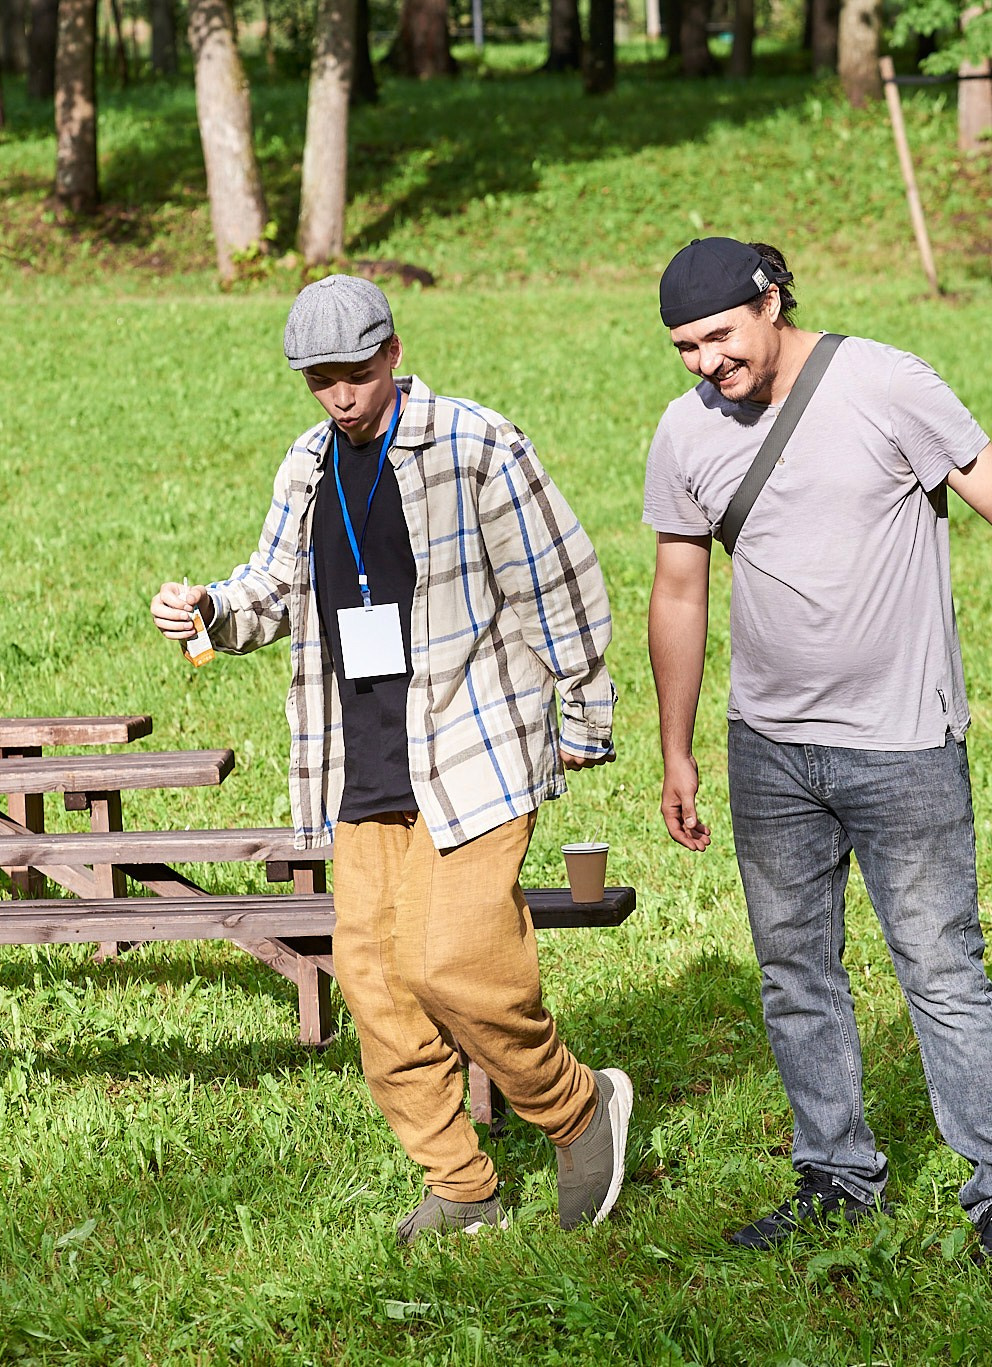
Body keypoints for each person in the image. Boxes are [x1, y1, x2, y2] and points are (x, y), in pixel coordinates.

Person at [642, 238, 992, 1266]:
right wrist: (677, 748)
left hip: (901, 740)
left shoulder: (883, 382)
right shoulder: (684, 432)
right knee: (794, 971)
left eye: (717, 336)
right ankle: (834, 1173)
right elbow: (678, 590)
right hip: (768, 748)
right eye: (683, 347)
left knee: (939, 966)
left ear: (769, 300)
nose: (704, 363)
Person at [150, 275, 634, 1246]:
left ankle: (579, 1108)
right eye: (318, 380)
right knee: (375, 987)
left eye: (355, 374)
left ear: (394, 353)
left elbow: (560, 581)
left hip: (469, 747)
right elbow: (273, 585)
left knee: (455, 963)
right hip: (357, 764)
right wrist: (208, 606)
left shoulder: (474, 444)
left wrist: (583, 713)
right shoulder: (305, 462)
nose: (339, 396)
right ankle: (462, 1183)